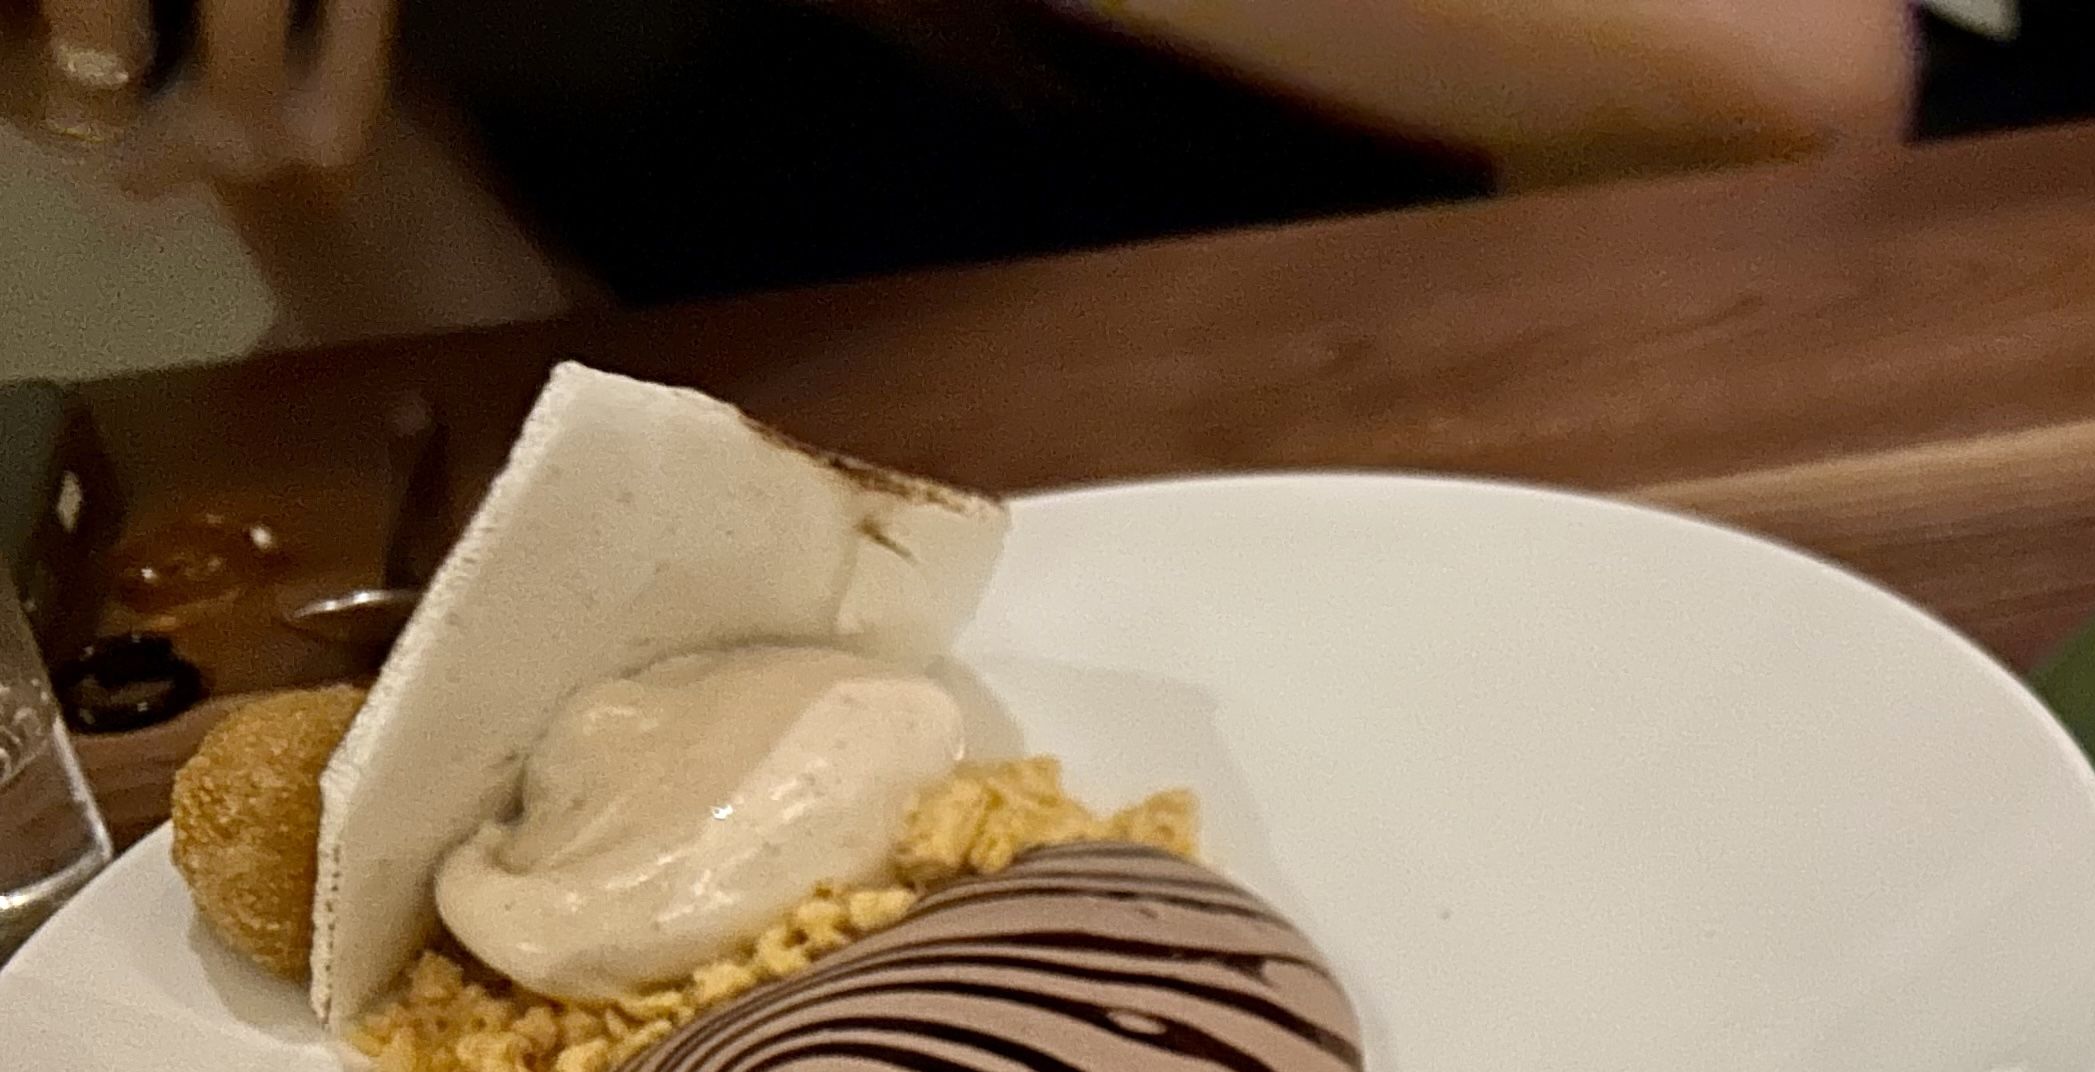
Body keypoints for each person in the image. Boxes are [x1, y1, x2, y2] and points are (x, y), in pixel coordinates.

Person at [15, 0, 1914, 303]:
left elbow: (1799, 79)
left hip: (1456, 465)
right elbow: (478, 355)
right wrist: (217, 103)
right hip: (860, 642)